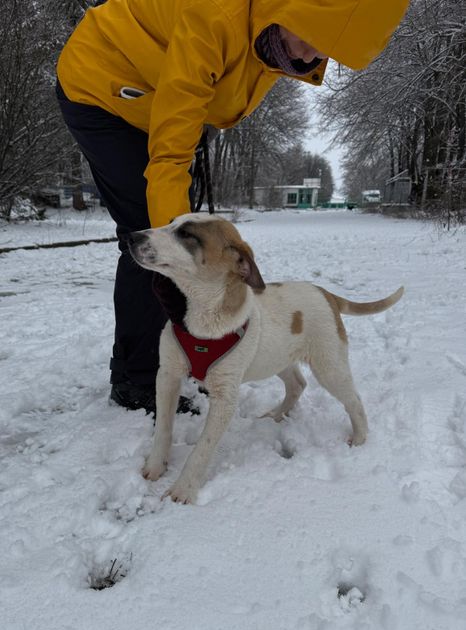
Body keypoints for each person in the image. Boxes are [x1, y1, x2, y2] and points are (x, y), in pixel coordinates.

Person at [56, 0, 409, 415]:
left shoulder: (276, 38)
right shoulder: (215, 15)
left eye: (327, 51)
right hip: (103, 86)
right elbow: (169, 160)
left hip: (155, 97)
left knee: (184, 236)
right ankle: (137, 378)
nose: (312, 57)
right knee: (154, 236)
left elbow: (215, 90)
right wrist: (174, 261)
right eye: (313, 39)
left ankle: (189, 354)